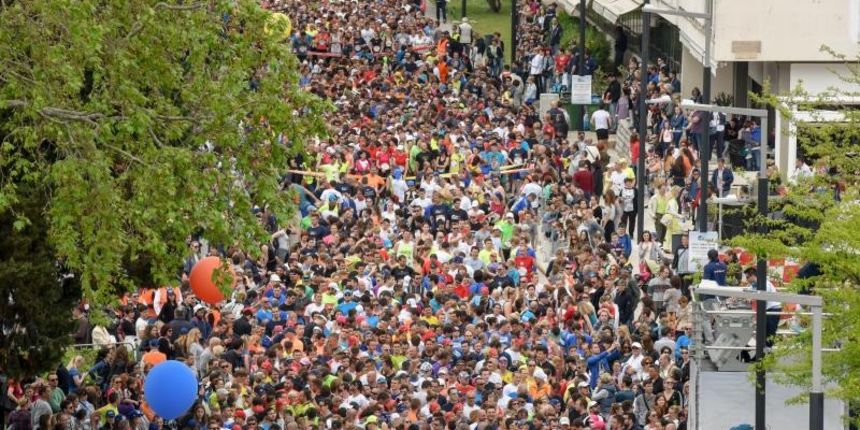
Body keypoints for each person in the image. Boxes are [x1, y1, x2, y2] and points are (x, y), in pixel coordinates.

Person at [743, 267, 782, 347]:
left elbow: (763, 295)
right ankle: (763, 352)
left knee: (769, 333)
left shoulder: (764, 283)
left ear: (753, 275)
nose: (746, 280)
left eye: (747, 277)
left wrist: (751, 298)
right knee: (763, 332)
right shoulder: (755, 284)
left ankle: (768, 352)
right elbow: (748, 291)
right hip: (768, 309)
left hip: (773, 309)